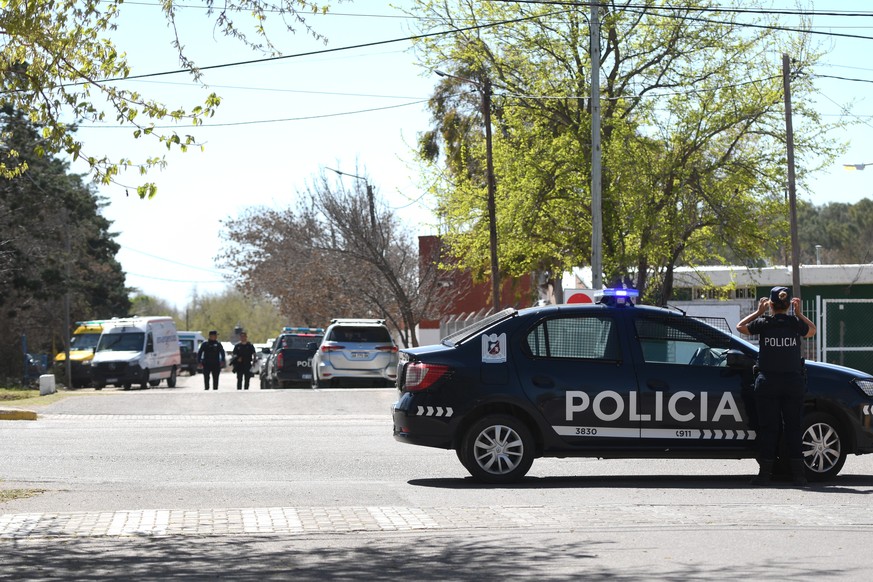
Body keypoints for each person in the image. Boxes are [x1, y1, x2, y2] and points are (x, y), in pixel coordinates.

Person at [736, 286, 816, 486]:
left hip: (768, 384)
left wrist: (758, 312)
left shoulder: (764, 323)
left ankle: (765, 475)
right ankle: (799, 475)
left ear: (770, 305)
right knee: (794, 429)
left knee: (769, 429)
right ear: (789, 305)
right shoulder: (794, 323)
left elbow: (740, 327)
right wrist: (799, 314)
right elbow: (812, 331)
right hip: (792, 384)